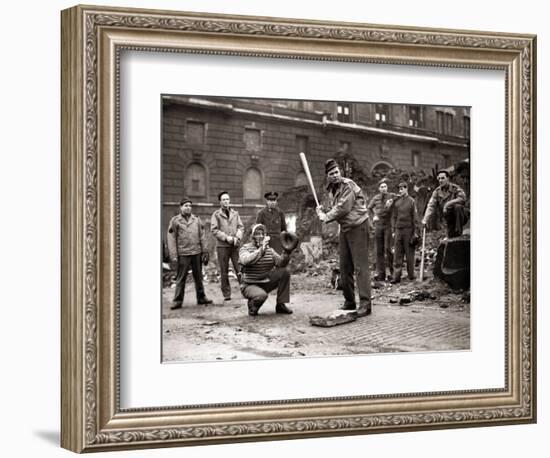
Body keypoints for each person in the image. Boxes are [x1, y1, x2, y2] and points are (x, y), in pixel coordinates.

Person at [316, 159, 371, 317]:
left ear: (340, 172)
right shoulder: (332, 189)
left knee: (360, 267)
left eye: (336, 172)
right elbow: (333, 207)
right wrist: (322, 209)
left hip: (358, 226)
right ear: (327, 176)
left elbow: (342, 208)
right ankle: (349, 301)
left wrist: (325, 217)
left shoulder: (348, 185)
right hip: (346, 228)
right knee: (345, 266)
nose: (334, 176)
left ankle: (366, 304)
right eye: (331, 173)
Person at [166, 197, 213, 309]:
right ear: (181, 207)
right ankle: (177, 300)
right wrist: (173, 255)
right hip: (183, 253)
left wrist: (204, 251)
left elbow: (202, 236)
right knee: (181, 277)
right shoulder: (175, 221)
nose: (188, 208)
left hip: (196, 252)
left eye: (190, 206)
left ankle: (201, 297)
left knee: (198, 277)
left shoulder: (196, 220)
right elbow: (171, 238)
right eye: (186, 205)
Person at [238, 224, 294, 316]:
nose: (260, 236)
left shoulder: (269, 250)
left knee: (285, 271)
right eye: (257, 234)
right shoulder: (245, 248)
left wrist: (286, 252)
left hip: (265, 282)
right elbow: (246, 260)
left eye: (262, 234)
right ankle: (252, 305)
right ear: (251, 236)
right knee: (261, 295)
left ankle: (281, 305)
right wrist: (261, 250)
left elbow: (281, 263)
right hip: (249, 284)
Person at [211, 191, 244, 302]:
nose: (226, 201)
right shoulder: (216, 215)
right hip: (222, 246)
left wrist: (237, 237)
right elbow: (214, 230)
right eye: (224, 199)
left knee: (239, 268)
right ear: (220, 202)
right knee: (224, 270)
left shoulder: (235, 213)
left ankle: (245, 290)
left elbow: (241, 227)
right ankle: (226, 294)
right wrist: (226, 238)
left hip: (234, 246)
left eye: (227, 199)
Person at [422, 170, 468, 238]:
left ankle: (459, 231)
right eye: (439, 178)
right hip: (448, 217)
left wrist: (448, 204)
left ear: (448, 178)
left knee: (457, 207)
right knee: (451, 238)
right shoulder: (437, 192)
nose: (440, 180)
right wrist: (425, 220)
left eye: (443, 178)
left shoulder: (455, 188)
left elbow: (463, 198)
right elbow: (431, 206)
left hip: (460, 215)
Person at [390, 182, 420, 283]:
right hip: (398, 230)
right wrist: (393, 230)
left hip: (408, 230)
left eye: (402, 189)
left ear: (406, 189)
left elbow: (415, 218)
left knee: (409, 254)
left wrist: (415, 232)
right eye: (399, 189)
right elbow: (394, 217)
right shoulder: (397, 202)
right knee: (397, 254)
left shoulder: (411, 201)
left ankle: (411, 275)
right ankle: (396, 277)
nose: (400, 191)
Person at [367, 179, 397, 281]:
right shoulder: (375, 198)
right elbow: (368, 208)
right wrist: (374, 216)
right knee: (379, 250)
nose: (384, 188)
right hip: (378, 225)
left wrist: (392, 202)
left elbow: (401, 198)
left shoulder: (392, 196)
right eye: (382, 187)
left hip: (388, 224)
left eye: (385, 186)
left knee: (388, 249)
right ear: (379, 189)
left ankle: (391, 272)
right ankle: (380, 273)